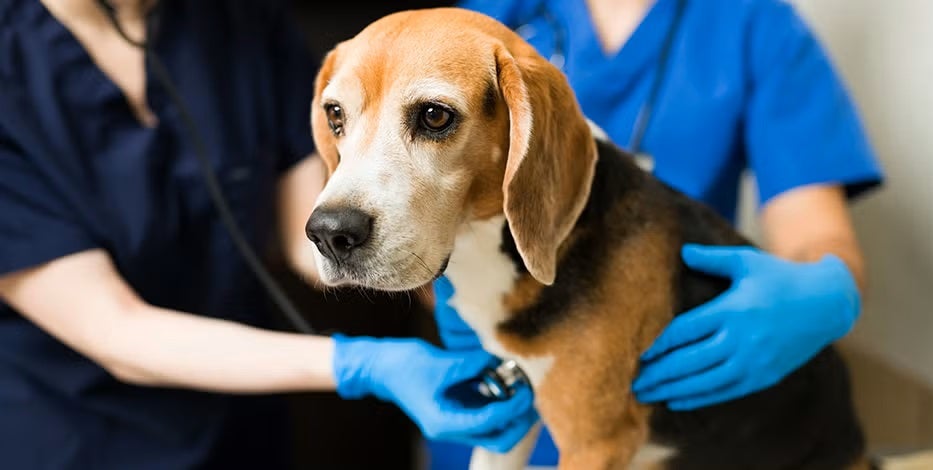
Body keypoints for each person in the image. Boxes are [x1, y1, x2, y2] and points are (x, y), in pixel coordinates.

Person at [0, 0, 536, 468]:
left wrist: (464, 278)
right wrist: (365, 364)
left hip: (245, 428)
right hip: (75, 438)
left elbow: (313, 234)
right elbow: (115, 331)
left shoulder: (243, 20)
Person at [428, 0, 884, 467]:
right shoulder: (480, 22)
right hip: (489, 408)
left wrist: (827, 292)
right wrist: (366, 359)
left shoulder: (754, 24)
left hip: (679, 416)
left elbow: (814, 233)